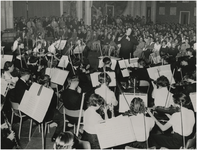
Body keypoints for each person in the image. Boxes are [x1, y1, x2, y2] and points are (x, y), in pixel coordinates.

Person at [38, 75, 64, 142]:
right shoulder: (49, 91)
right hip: (46, 114)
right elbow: (54, 104)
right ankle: (55, 136)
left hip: (36, 113)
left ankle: (51, 123)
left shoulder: (35, 87)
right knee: (62, 118)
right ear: (47, 83)